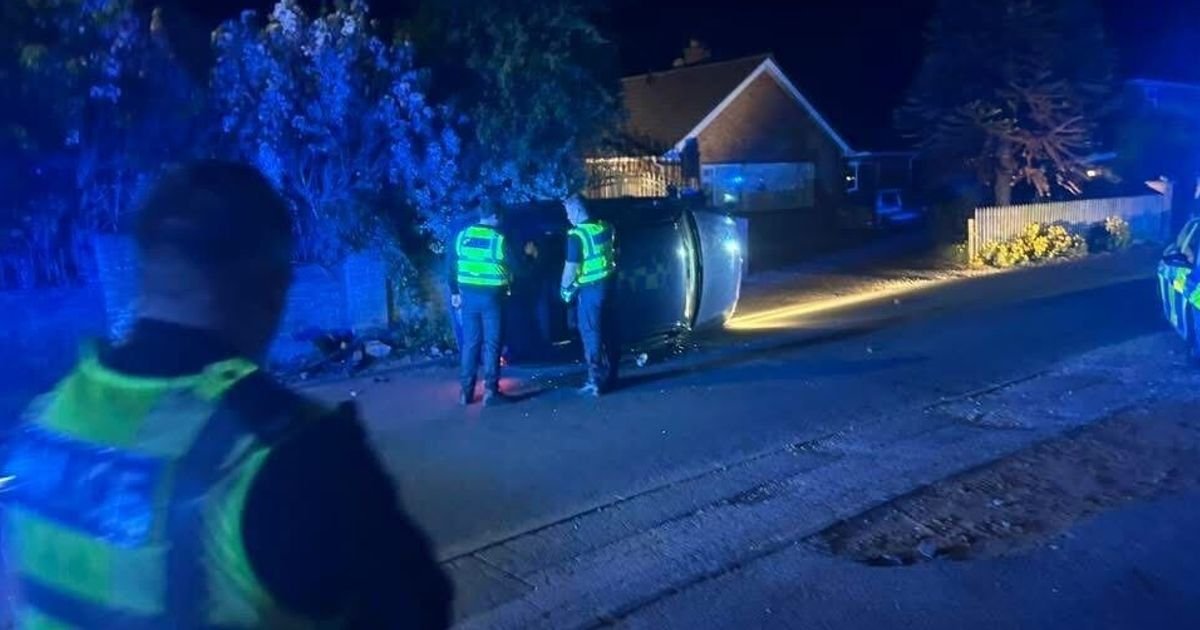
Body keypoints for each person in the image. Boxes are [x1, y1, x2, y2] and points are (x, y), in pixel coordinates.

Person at [0, 161, 452, 628]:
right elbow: (419, 611)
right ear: (274, 290)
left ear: (147, 273)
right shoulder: (290, 451)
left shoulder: (42, 426)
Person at [449, 202, 515, 406]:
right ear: (494, 216)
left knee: (470, 343)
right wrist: (531, 256)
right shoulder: (498, 239)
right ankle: (490, 392)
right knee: (492, 344)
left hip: (468, 297)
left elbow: (450, 267)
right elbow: (518, 266)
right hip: (492, 298)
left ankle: (466, 393)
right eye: (500, 217)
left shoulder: (462, 236)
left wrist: (454, 291)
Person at [560, 195, 619, 396]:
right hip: (609, 286)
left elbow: (571, 269)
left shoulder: (577, 236)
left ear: (577, 211)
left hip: (590, 291)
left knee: (591, 332)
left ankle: (595, 381)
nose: (567, 217)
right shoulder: (605, 227)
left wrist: (565, 290)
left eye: (568, 212)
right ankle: (612, 375)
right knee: (610, 330)